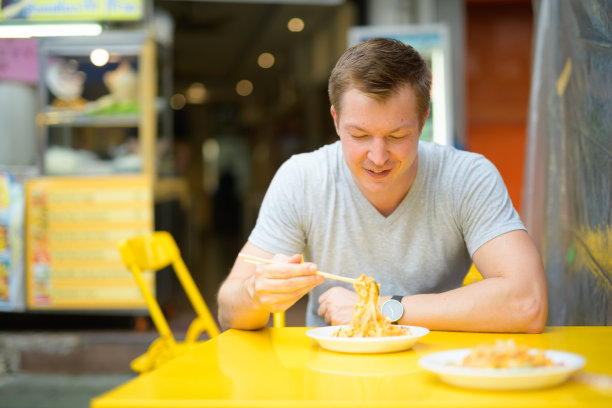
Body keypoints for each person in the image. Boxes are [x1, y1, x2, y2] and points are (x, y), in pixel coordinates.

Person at [217, 38, 547, 333]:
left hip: (435, 369)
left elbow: (527, 303)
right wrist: (255, 292)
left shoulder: (467, 177)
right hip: (332, 376)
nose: (377, 157)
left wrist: (379, 309)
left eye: (396, 136)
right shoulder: (303, 178)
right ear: (335, 120)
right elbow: (229, 313)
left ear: (422, 121)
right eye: (359, 135)